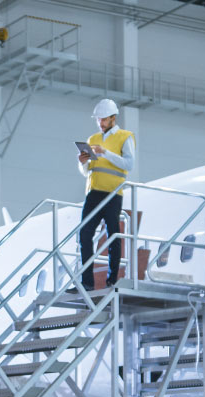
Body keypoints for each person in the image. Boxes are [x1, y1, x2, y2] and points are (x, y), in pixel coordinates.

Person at [76, 98, 135, 290]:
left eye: (103, 119)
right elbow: (87, 171)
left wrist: (105, 153)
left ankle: (112, 280)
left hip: (113, 194)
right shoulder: (92, 139)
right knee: (84, 234)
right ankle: (87, 283)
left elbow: (129, 165)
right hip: (93, 193)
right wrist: (83, 161)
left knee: (112, 236)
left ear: (113, 118)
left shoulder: (125, 137)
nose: (100, 123)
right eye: (98, 120)